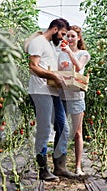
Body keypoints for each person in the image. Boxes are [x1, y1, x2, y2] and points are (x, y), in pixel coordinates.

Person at [26, 18, 76, 181]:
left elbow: (51, 68)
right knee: (45, 129)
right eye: (62, 33)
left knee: (64, 127)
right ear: (55, 29)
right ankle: (43, 170)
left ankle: (60, 167)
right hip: (40, 91)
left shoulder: (50, 46)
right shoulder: (38, 42)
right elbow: (33, 66)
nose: (63, 37)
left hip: (52, 92)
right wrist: (52, 75)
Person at [58, 25, 91, 176]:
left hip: (77, 97)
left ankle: (78, 167)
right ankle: (60, 166)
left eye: (72, 36)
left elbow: (78, 68)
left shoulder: (84, 53)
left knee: (78, 133)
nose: (69, 39)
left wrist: (70, 52)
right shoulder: (61, 53)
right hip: (62, 96)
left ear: (78, 38)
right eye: (67, 36)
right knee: (62, 131)